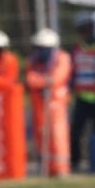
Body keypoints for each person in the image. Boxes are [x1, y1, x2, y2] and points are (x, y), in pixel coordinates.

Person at [25, 28, 73, 177]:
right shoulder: (34, 61)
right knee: (41, 135)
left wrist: (44, 82)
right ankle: (45, 167)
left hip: (56, 104)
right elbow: (30, 79)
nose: (41, 51)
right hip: (39, 103)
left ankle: (61, 168)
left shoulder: (62, 58)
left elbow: (58, 78)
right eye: (39, 48)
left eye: (44, 48)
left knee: (57, 135)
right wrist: (44, 82)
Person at [69, 12, 95, 172]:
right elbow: (72, 71)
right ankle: (75, 162)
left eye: (88, 28)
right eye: (82, 29)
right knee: (76, 132)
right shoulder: (76, 49)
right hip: (82, 97)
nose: (86, 32)